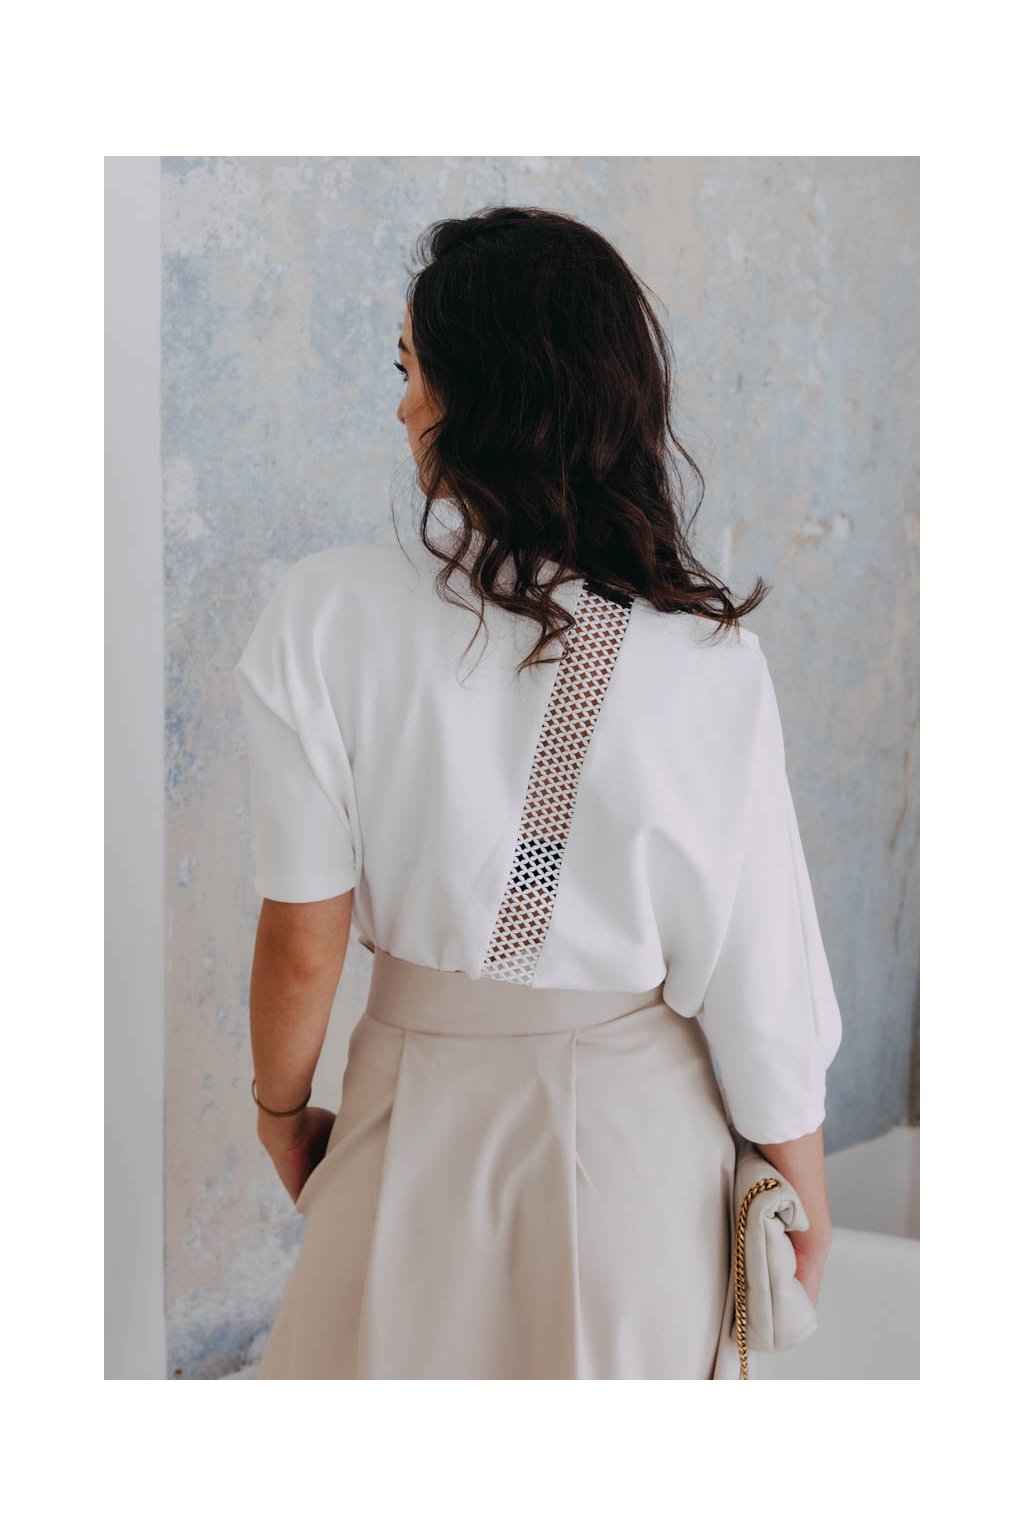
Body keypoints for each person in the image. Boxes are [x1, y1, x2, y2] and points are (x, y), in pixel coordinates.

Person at [233, 206, 842, 1380]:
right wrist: (803, 1197)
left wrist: (281, 1112)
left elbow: (302, 944)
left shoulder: (322, 613)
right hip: (637, 1158)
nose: (403, 408)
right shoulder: (708, 662)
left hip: (402, 1119)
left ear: (483, 393)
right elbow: (760, 973)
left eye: (413, 373)